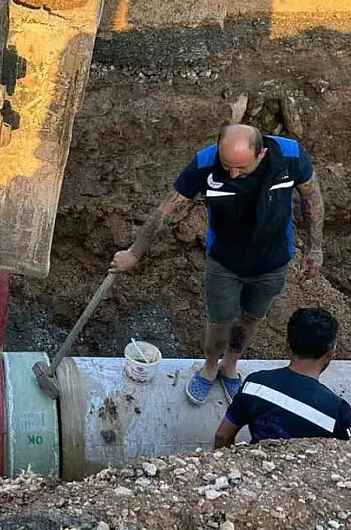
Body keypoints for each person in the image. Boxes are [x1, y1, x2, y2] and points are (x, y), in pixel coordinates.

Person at [109, 124, 325, 406]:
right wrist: (134, 253)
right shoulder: (205, 163)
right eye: (227, 166)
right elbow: (167, 209)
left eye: (241, 168)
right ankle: (210, 367)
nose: (233, 174)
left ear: (261, 153)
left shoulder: (291, 155)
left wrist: (315, 247)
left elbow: (313, 198)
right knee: (219, 321)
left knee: (251, 318)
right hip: (225, 262)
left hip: (272, 263)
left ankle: (230, 365)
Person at [213, 307, 351, 448]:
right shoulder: (337, 411)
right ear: (331, 351)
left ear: (287, 343)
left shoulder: (255, 384)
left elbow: (222, 436)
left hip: (258, 466)